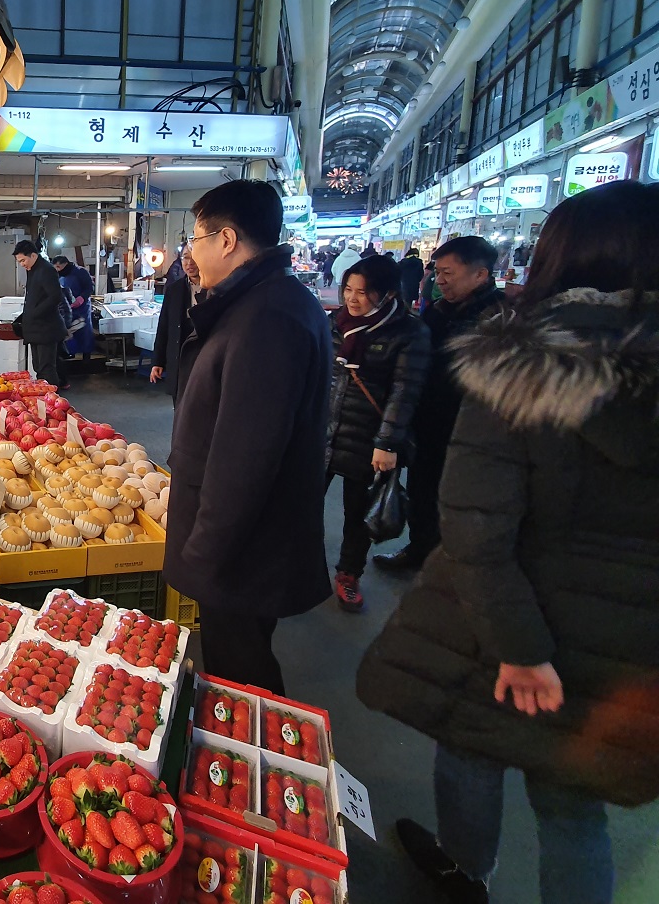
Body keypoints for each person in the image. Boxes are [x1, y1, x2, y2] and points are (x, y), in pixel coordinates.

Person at [356, 181, 659, 904]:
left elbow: (475, 525)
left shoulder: (516, 365)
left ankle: (467, 873)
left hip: (506, 620)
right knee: (573, 807)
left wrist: (523, 648)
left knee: (471, 747)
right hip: (624, 637)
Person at [163, 180, 332, 694]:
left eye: (196, 239)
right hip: (245, 547)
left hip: (244, 552)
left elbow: (244, 458)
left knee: (243, 675)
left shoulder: (267, 318)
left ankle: (258, 765)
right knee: (237, 658)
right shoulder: (262, 302)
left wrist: (204, 554)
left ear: (227, 240)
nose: (191, 252)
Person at [373, 236, 506, 572]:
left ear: (481, 275)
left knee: (463, 500)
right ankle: (420, 552)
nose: (439, 280)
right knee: (422, 491)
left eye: (448, 272)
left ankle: (456, 566)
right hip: (429, 424)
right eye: (437, 272)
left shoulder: (501, 318)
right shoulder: (437, 312)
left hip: (474, 430)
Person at [324, 254, 431, 612]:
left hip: (370, 438)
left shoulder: (408, 332)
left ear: (387, 294)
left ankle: (349, 574)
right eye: (348, 289)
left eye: (363, 292)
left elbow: (405, 390)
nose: (353, 299)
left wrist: (386, 442)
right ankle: (297, 565)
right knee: (302, 501)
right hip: (325, 429)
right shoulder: (334, 323)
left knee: (358, 512)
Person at [149, 249, 202, 402]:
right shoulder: (175, 289)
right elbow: (164, 326)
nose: (189, 263)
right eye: (185, 258)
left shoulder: (214, 288)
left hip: (202, 359)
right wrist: (157, 361)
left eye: (194, 258)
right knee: (179, 405)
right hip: (179, 358)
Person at [12, 241, 65, 386]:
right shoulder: (33, 269)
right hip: (35, 329)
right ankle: (42, 401)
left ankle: (51, 403)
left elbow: (55, 297)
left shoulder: (46, 269)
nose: (22, 264)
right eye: (19, 262)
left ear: (33, 255)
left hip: (45, 328)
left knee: (46, 369)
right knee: (38, 368)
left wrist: (35, 314)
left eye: (23, 260)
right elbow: (33, 297)